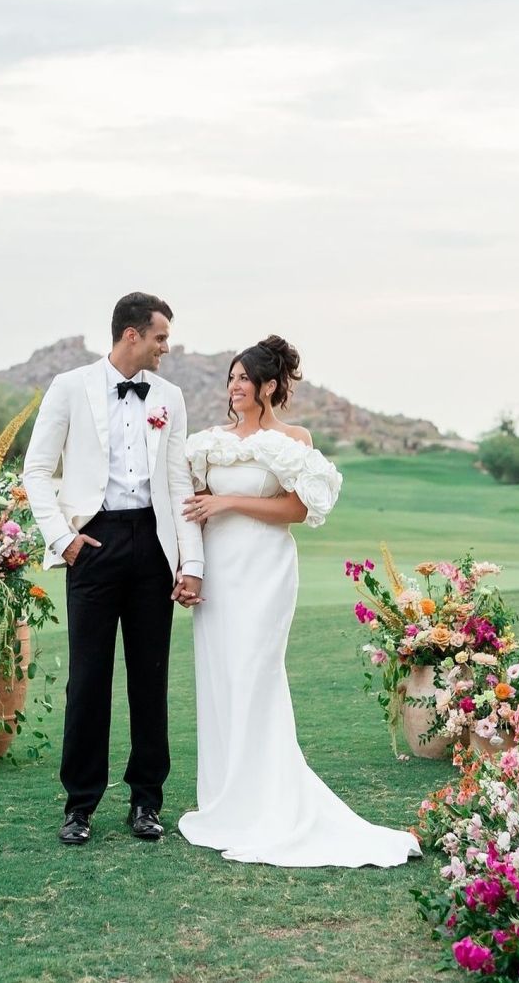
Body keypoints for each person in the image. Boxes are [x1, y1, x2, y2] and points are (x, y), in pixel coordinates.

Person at [176, 335, 421, 867]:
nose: (236, 386)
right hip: (220, 570)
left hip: (264, 569)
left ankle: (270, 802)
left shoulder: (292, 439)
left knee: (255, 676)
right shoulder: (209, 443)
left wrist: (229, 500)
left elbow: (295, 509)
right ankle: (227, 801)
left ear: (269, 386)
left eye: (246, 378)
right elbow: (189, 507)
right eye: (232, 377)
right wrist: (189, 567)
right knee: (221, 679)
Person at [23, 292, 204, 845]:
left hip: (152, 545)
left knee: (150, 680)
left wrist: (189, 561)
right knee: (88, 681)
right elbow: (35, 470)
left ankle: (147, 802)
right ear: (132, 335)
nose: (165, 348)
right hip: (93, 544)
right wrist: (63, 539)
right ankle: (80, 806)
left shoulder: (169, 396)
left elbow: (178, 484)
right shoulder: (69, 387)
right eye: (160, 338)